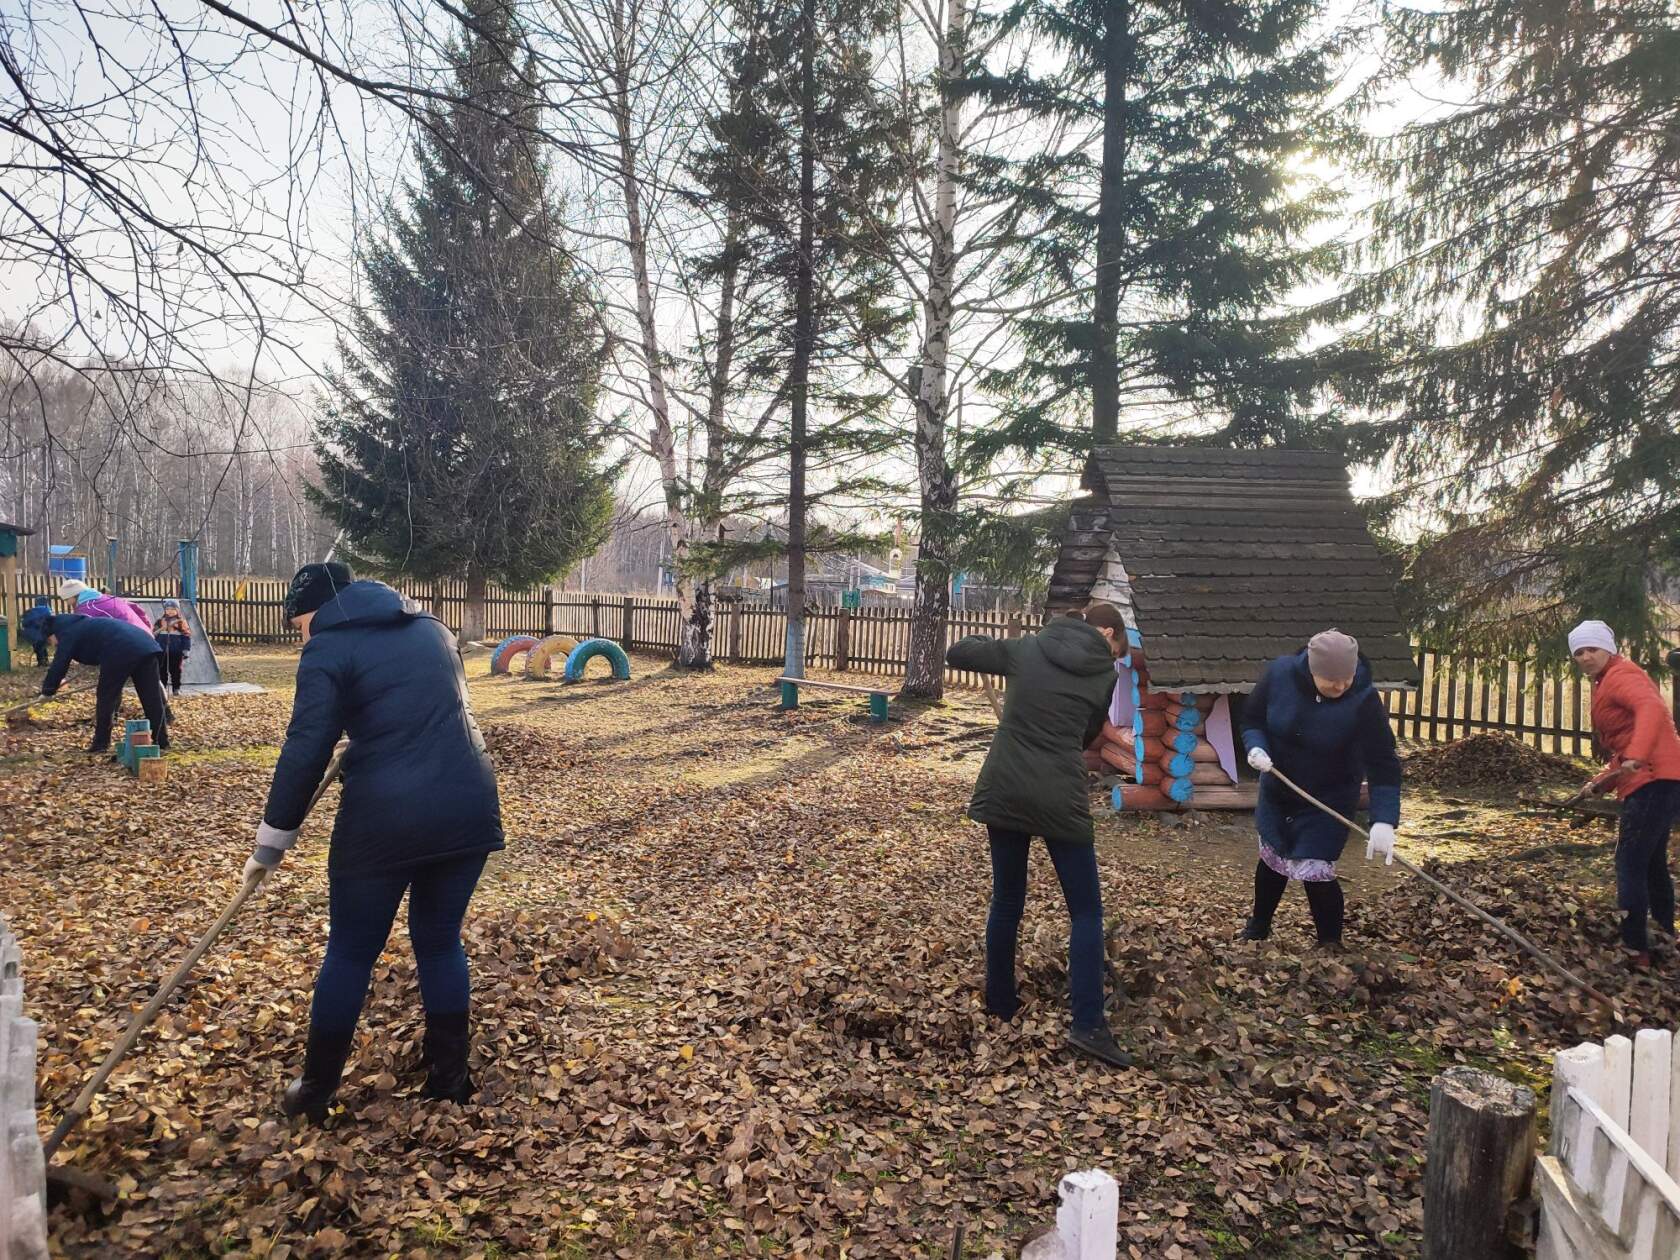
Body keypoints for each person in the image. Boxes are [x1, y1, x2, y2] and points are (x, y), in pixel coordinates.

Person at [246, 562, 503, 1121]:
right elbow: (426, 711)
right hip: (467, 802)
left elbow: (305, 745)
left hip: (386, 818)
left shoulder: (327, 648)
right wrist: (366, 740)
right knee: (439, 942)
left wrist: (272, 840)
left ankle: (314, 1092)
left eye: (299, 623)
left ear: (318, 611)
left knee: (351, 951)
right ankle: (449, 1082)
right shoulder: (431, 627)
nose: (299, 634)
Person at [945, 602, 1131, 1068]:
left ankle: (1001, 1001)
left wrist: (999, 651)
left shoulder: (1025, 649)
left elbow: (957, 652)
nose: (1113, 653)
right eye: (1116, 645)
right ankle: (1088, 1025)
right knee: (1085, 911)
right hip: (1059, 796)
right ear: (1106, 631)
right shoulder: (1103, 676)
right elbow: (1088, 737)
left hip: (1005, 786)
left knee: (1008, 899)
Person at [1240, 629, 1401, 950]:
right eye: (1331, 680)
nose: (1341, 686)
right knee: (1273, 858)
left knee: (1316, 868)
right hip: (1279, 791)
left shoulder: (1364, 701)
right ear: (1311, 670)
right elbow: (1252, 719)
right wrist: (1255, 747)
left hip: (1327, 798)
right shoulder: (1280, 675)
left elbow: (1383, 762)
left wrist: (1383, 820)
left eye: (1347, 678)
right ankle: (1258, 926)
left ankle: (1330, 943)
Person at [1568, 620, 1680, 970]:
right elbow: (1624, 745)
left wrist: (1638, 755)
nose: (1586, 657)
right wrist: (1602, 781)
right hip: (1658, 778)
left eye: (1592, 649)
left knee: (1629, 863)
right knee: (1651, 863)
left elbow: (1652, 710)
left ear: (1609, 649)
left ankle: (1637, 950)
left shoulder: (1622, 676)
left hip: (1653, 779)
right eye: (1579, 652)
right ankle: (1664, 935)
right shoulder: (1609, 678)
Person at [23, 604, 169, 754]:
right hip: (146, 644)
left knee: (106, 697)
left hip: (121, 650)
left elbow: (60, 664)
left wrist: (48, 691)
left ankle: (100, 744)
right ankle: (162, 741)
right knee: (151, 698)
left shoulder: (67, 632)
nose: (52, 644)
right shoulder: (77, 624)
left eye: (49, 641)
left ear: (49, 632)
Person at [153, 600, 192, 695]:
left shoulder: (181, 622)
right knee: (161, 670)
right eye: (167, 609)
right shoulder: (159, 621)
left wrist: (186, 649)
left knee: (175, 670)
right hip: (161, 650)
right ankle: (162, 689)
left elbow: (186, 636)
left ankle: (176, 688)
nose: (170, 611)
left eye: (172, 609)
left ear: (177, 610)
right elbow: (154, 635)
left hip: (176, 651)